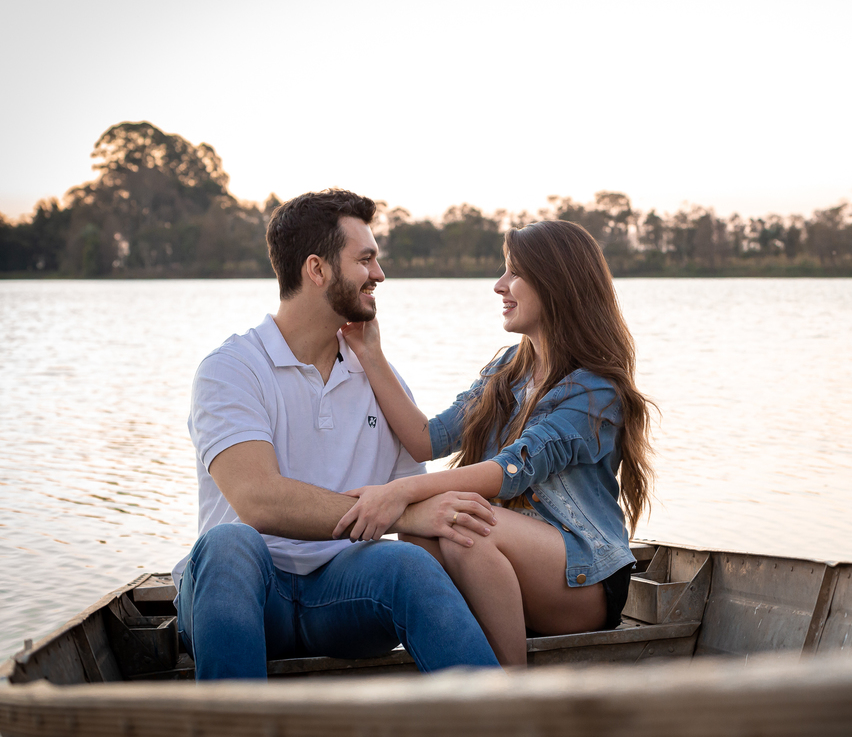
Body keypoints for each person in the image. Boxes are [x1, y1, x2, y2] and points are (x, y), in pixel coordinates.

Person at [174, 189, 500, 679]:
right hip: (246, 598)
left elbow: (415, 523)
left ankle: (507, 717)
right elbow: (258, 501)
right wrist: (402, 508)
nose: (379, 275)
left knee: (406, 567)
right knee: (228, 543)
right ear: (317, 269)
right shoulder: (232, 369)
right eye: (365, 260)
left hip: (344, 596)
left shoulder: (380, 381)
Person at [334, 219, 654, 666]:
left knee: (466, 526)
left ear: (557, 284)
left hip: (584, 581)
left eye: (514, 273)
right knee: (417, 536)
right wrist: (370, 353)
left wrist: (401, 491)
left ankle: (508, 701)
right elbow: (429, 439)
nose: (500, 285)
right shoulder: (508, 372)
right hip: (509, 565)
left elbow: (512, 469)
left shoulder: (596, 392)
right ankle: (454, 677)